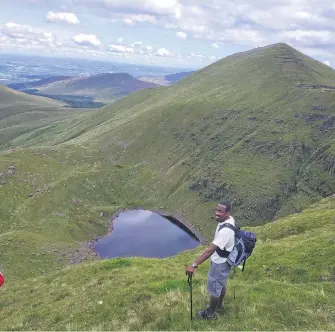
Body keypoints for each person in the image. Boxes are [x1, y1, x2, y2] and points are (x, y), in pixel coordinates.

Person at [185, 201, 235, 320]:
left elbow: (210, 250)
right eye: (216, 210)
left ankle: (211, 314)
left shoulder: (225, 231)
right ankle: (219, 306)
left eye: (220, 211)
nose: (217, 213)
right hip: (224, 260)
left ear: (228, 213)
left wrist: (194, 265)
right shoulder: (228, 220)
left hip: (220, 263)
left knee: (214, 289)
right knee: (220, 284)